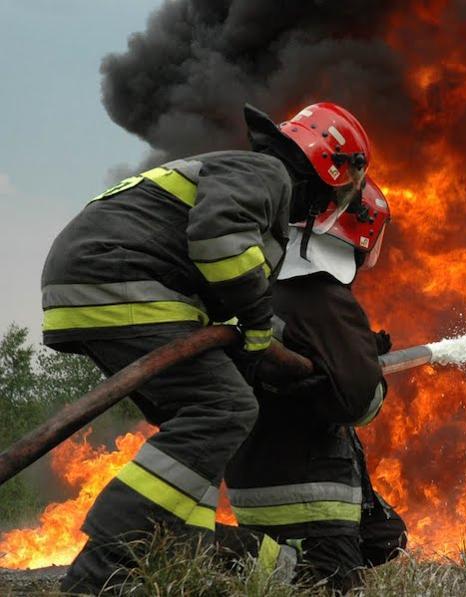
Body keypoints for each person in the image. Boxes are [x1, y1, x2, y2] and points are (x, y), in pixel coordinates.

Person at [41, 101, 371, 593]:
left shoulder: (245, 177)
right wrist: (261, 331)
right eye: (344, 187)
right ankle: (103, 565)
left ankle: (177, 554)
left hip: (99, 284)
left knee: (196, 430)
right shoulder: (266, 174)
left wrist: (272, 347)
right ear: (328, 165)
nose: (335, 201)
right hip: (121, 278)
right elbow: (220, 243)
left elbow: (223, 292)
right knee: (225, 407)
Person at [224, 178, 406, 591]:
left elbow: (298, 372)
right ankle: (217, 551)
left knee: (385, 538)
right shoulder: (320, 293)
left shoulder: (261, 289)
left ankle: (264, 563)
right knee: (327, 585)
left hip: (254, 485)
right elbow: (360, 403)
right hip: (310, 495)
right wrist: (366, 369)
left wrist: (354, 353)